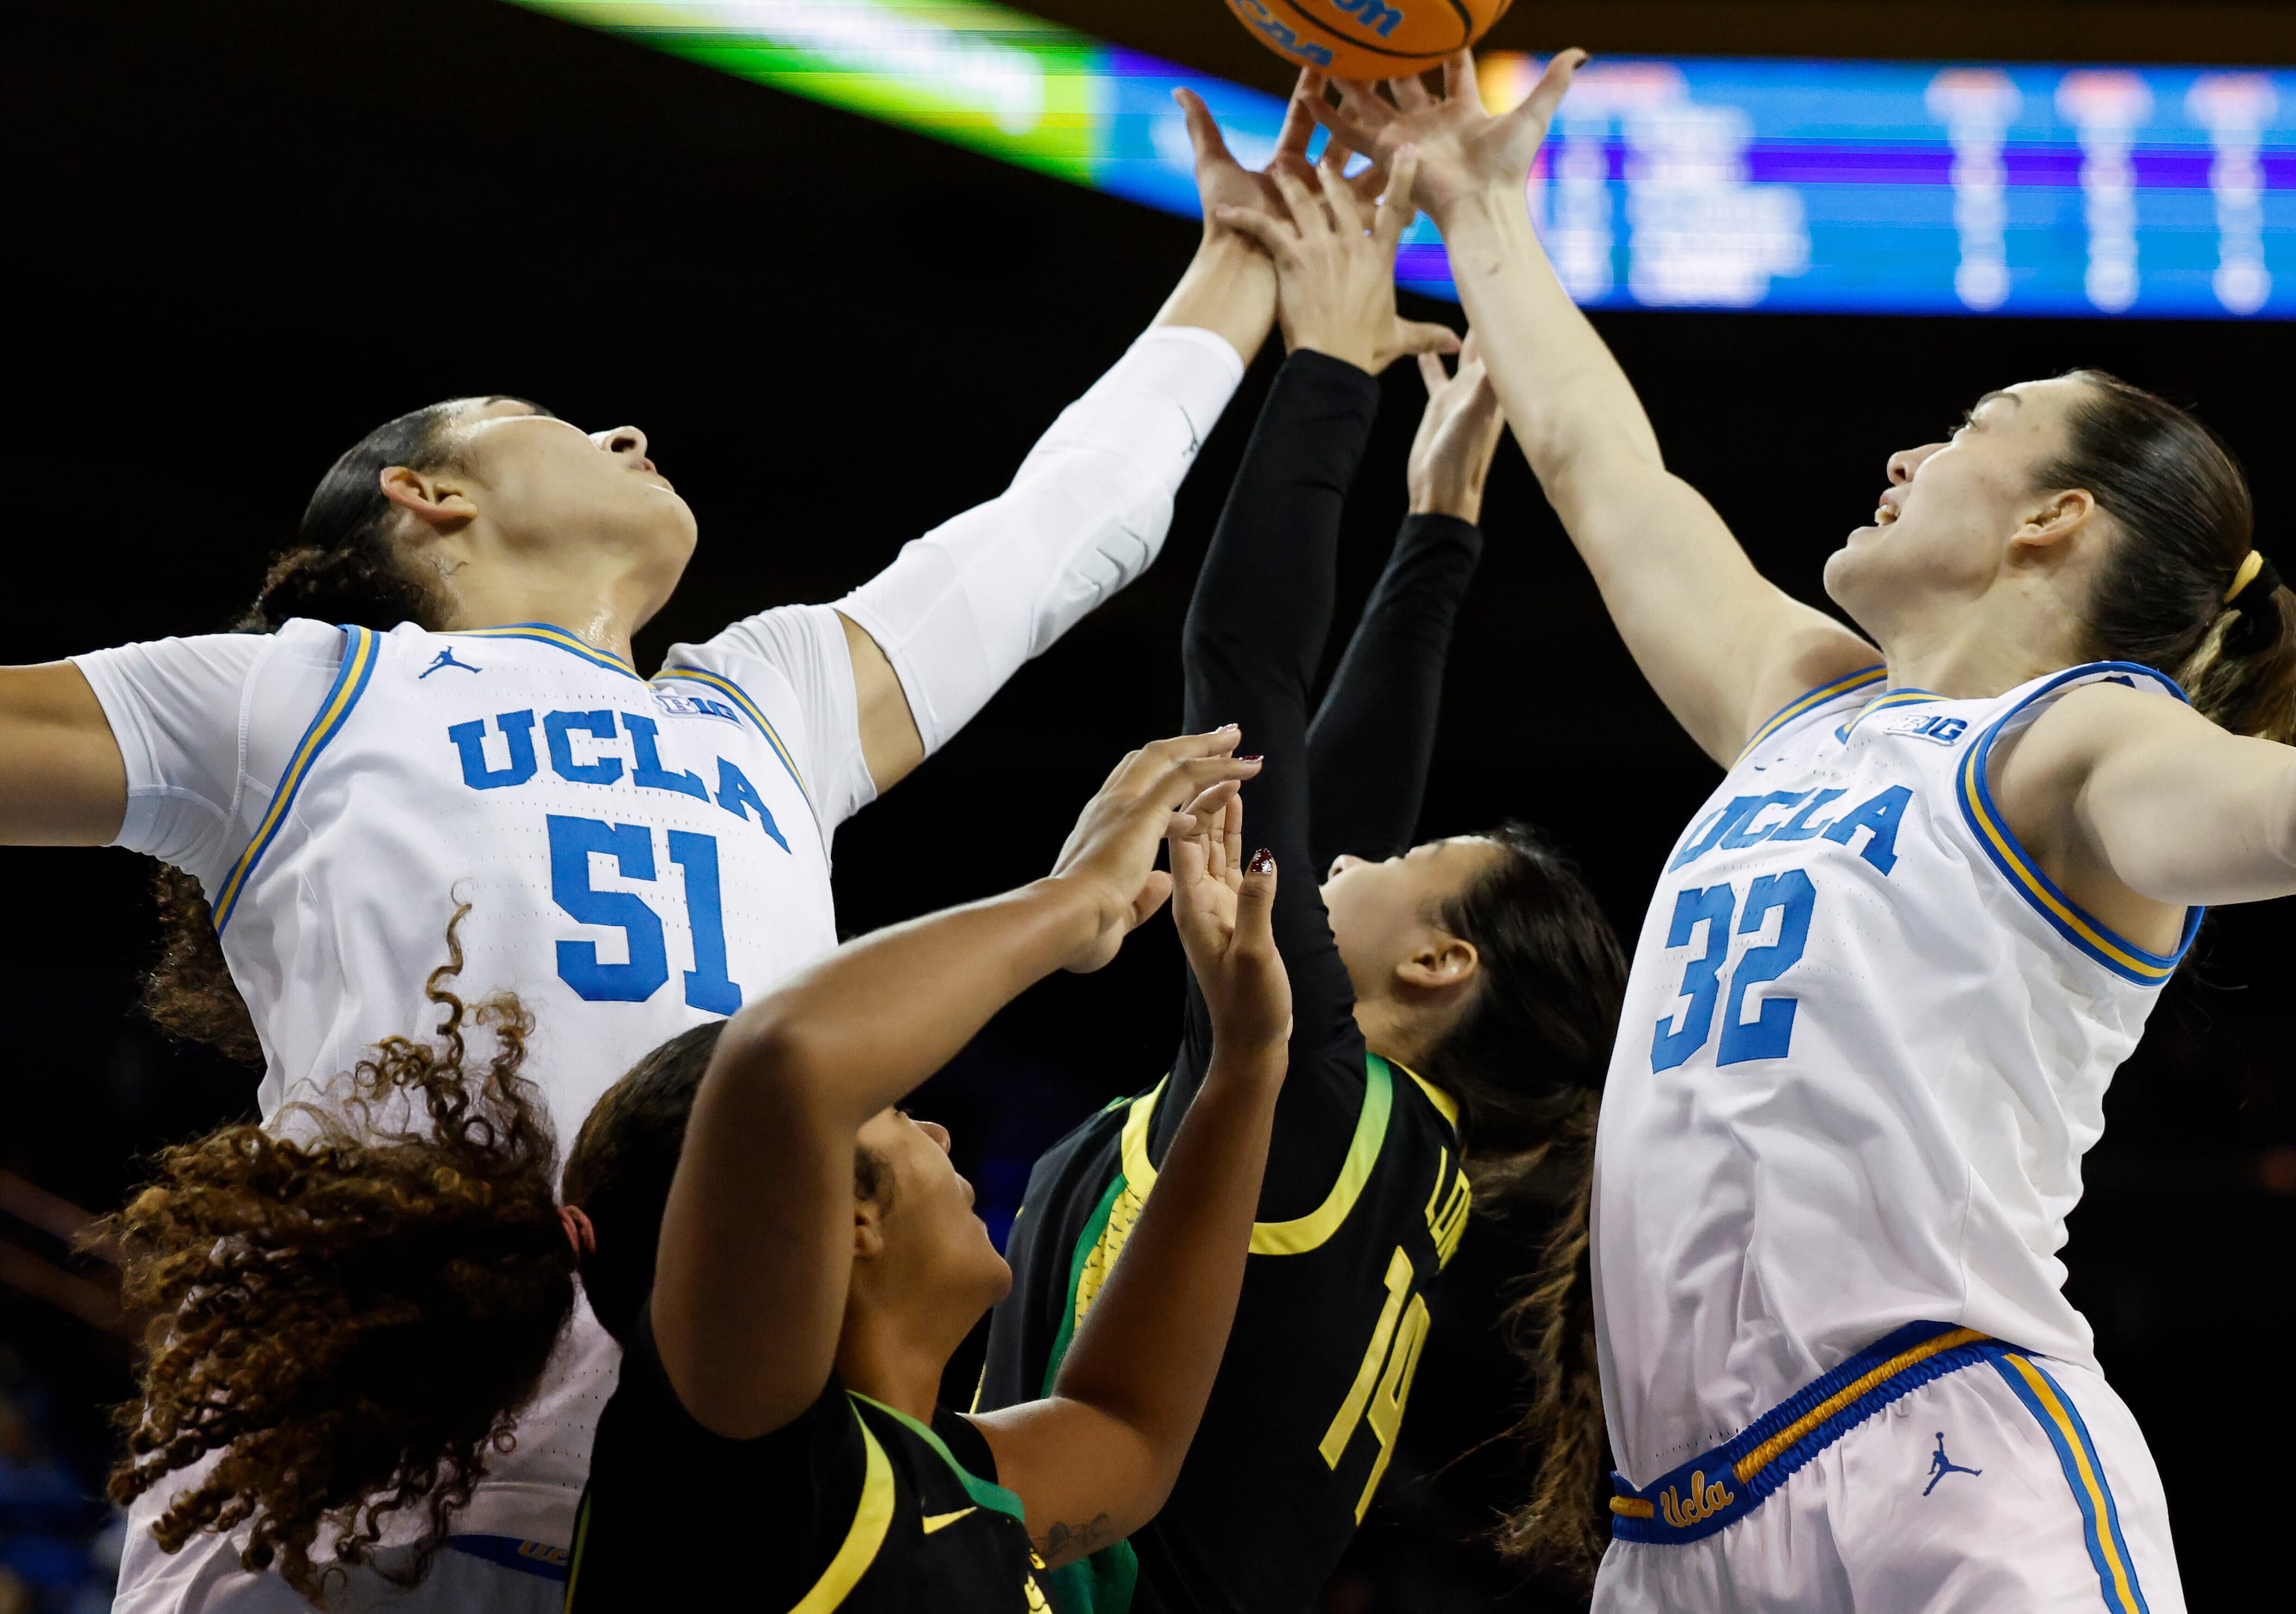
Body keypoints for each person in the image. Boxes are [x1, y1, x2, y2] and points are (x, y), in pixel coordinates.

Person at [1297, 53, 2296, 1611]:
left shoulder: (2077, 742)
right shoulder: (1803, 701)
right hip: (1676, 1527)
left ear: (2057, 519)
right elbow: (1601, 467)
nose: (1903, 457)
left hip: (1942, 1461)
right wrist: (1476, 192)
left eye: (1970, 429)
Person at [1, 87, 1303, 1614]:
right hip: (355, 1472)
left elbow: (1066, 524)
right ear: (430, 496)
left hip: (702, 1466)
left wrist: (1246, 248)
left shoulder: (767, 709)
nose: (628, 432)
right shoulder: (305, 687)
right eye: (559, 426)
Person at [106, 728, 1286, 1613]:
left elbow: (1127, 1425)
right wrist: (1069, 904)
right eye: (894, 1118)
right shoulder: (733, 1461)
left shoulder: (926, 1474)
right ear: (835, 1220)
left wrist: (1246, 1064)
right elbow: (783, 1058)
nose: (937, 1137)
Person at [980, 143, 1628, 1614]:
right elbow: (1337, 780)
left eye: (1399, 867)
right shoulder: (1378, 1144)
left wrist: (1326, 363)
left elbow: (1243, 677)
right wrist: (1438, 531)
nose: (1347, 851)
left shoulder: (1308, 1096)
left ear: (1439, 967)